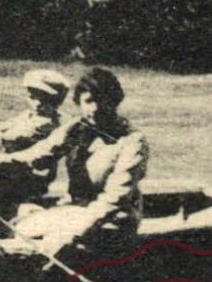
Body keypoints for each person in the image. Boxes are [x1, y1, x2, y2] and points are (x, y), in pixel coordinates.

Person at [9, 67, 149, 258]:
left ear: (115, 102)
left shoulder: (132, 141)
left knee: (53, 242)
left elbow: (116, 197)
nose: (95, 109)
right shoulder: (77, 129)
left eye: (103, 101)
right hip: (76, 211)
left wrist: (77, 229)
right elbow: (37, 155)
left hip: (113, 219)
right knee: (20, 225)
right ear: (79, 103)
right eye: (89, 101)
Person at [0, 68, 72, 221]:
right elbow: (1, 127)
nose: (33, 98)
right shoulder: (29, 116)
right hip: (11, 169)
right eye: (31, 93)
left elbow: (10, 137)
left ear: (52, 100)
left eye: (38, 95)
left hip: (28, 176)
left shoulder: (46, 123)